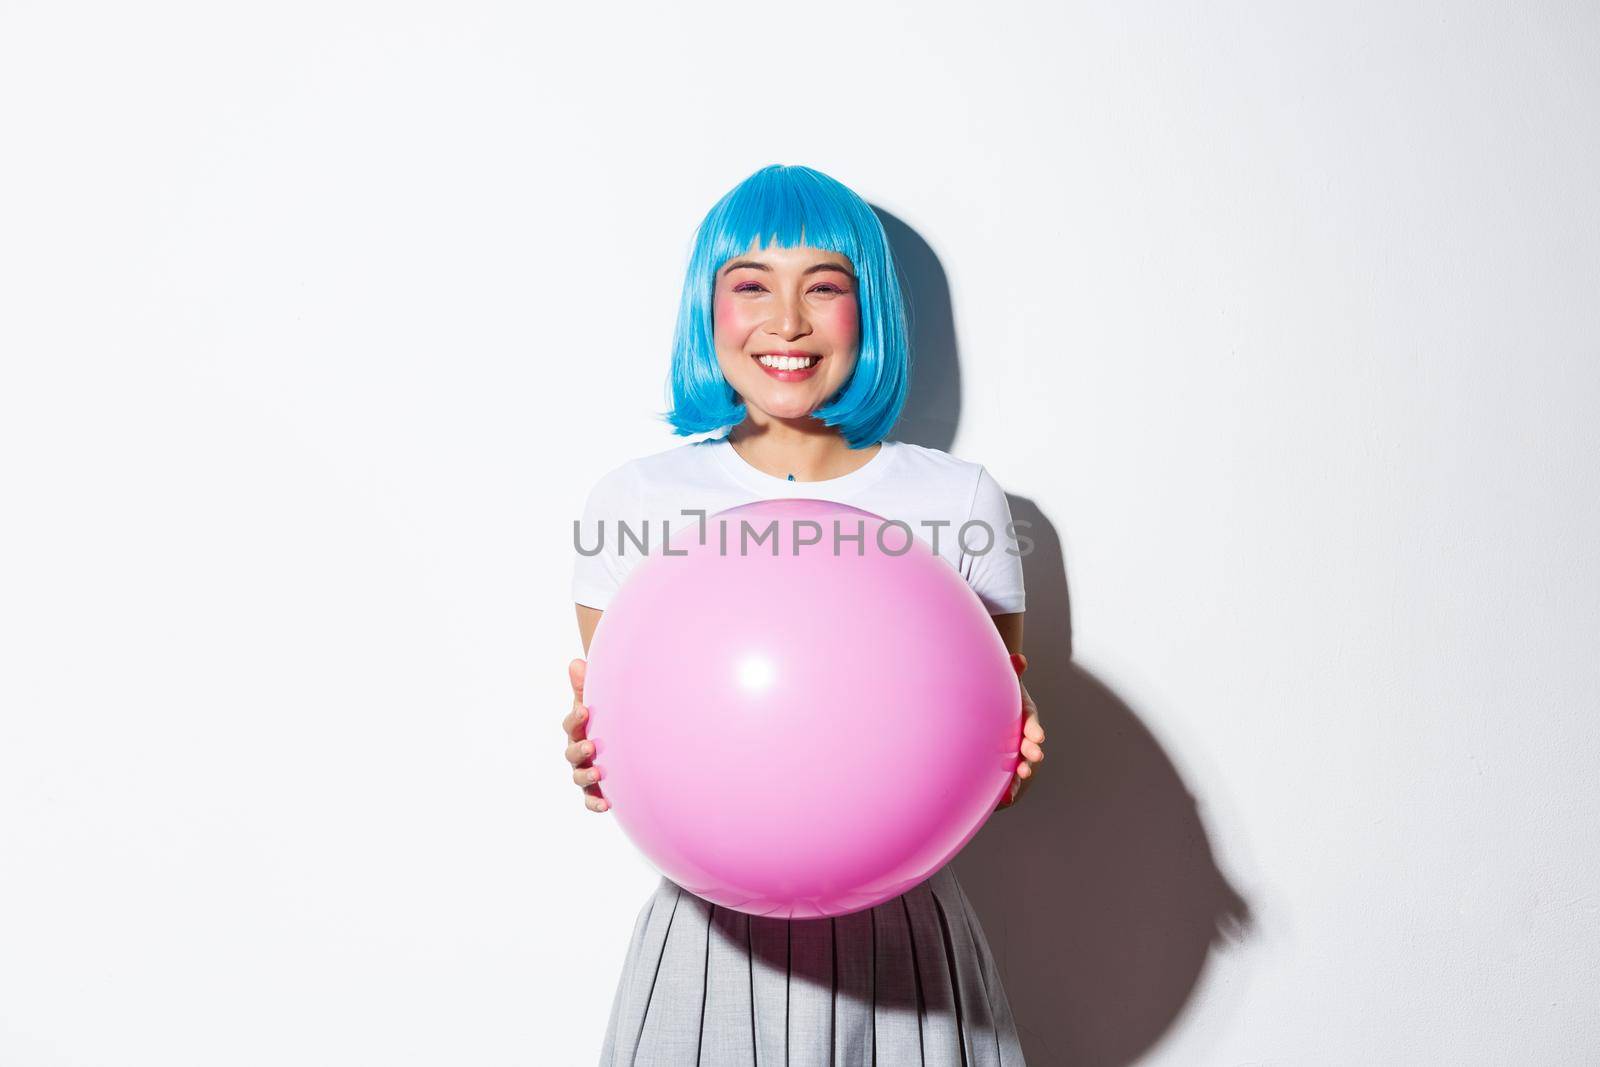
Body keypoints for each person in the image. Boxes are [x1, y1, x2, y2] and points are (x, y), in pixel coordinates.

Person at [563, 164, 1046, 1066]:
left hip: (906, 949)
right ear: (708, 311)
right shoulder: (636, 499)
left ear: (872, 312)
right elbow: (632, 754)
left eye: (825, 286)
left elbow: (992, 762)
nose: (787, 322)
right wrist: (595, 762)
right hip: (707, 943)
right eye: (751, 286)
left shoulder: (961, 502)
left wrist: (1012, 755)